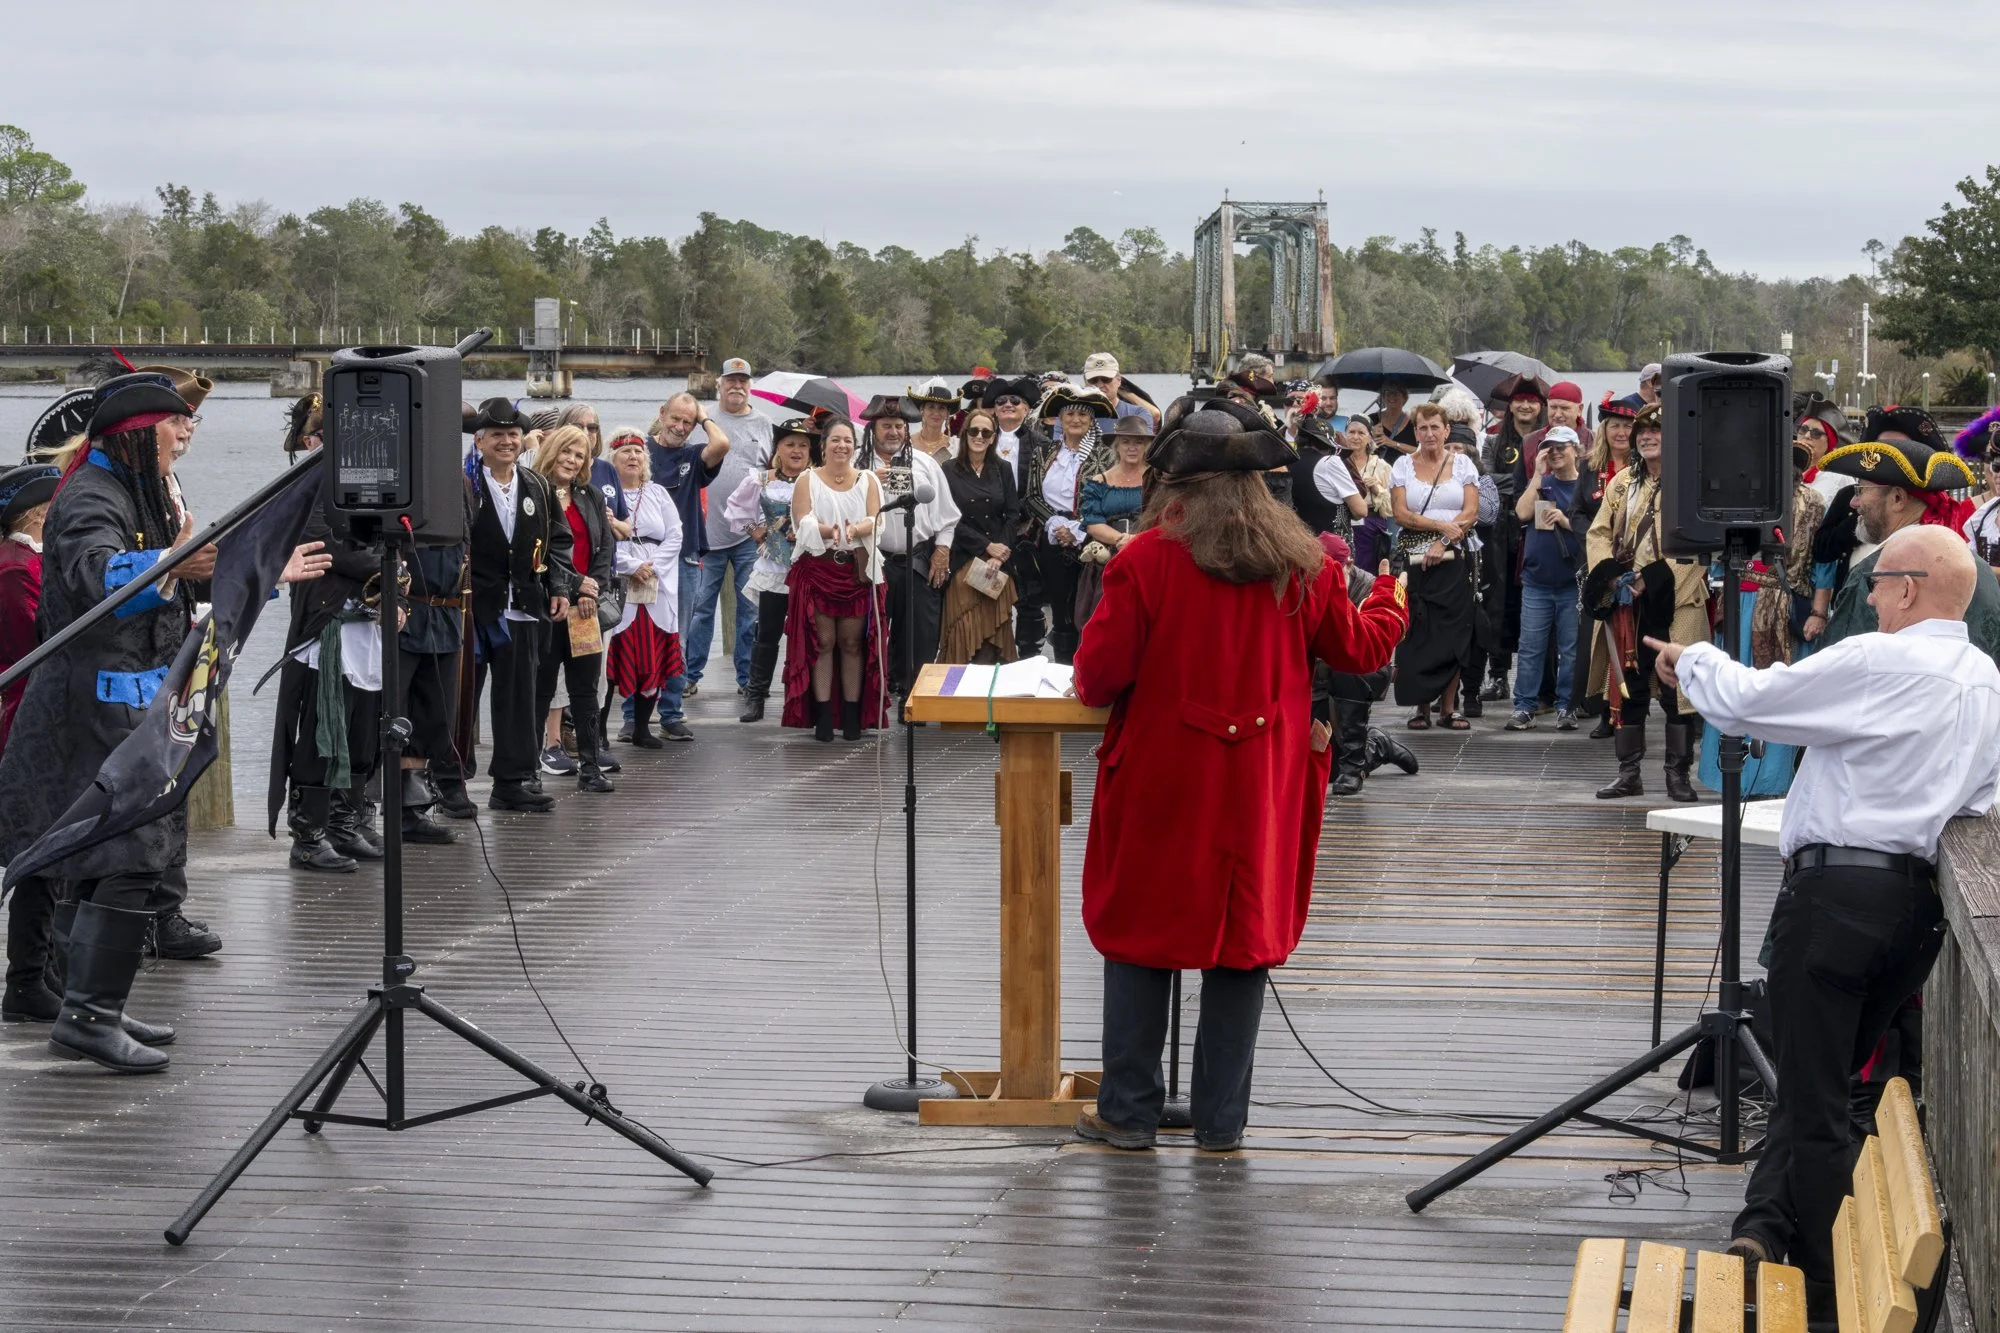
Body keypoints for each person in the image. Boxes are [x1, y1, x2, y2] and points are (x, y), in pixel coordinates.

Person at [1645, 526, 2000, 1312]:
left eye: (1877, 583)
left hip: (1838, 901)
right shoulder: (1984, 677)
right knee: (1824, 1083)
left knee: (1813, 1104)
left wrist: (1690, 660)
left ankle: (1825, 1292)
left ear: (1908, 588)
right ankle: (1768, 1227)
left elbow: (1749, 703)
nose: (1868, 597)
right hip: (1918, 910)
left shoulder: (1878, 659)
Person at [1070, 397, 1407, 1152]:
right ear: (1258, 484)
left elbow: (1095, 679)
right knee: (1241, 941)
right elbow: (1361, 650)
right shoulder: (1304, 565)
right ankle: (1221, 1121)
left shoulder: (1143, 560)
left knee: (1139, 933)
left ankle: (1128, 1112)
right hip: (1262, 782)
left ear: (1176, 486)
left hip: (1164, 779)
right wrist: (1389, 590)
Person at [0, 372, 326, 1068]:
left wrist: (262, 568)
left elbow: (181, 573)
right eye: (175, 425)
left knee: (111, 854)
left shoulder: (133, 489)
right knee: (125, 851)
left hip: (128, 704)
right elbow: (97, 576)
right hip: (87, 712)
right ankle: (87, 1012)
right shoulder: (91, 494)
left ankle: (91, 1001)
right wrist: (171, 558)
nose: (186, 435)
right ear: (136, 434)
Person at [1583, 404, 1709, 801]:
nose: (1647, 436)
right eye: (1642, 431)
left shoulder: (1692, 485)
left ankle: (1678, 776)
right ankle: (1629, 773)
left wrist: (1650, 579)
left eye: (1657, 430)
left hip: (1677, 599)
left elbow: (1699, 544)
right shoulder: (1623, 483)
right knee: (1628, 687)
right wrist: (1610, 574)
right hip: (1626, 601)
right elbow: (1598, 531)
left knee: (1678, 691)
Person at [1694, 439, 1832, 797]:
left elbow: (1824, 559)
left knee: (1779, 690)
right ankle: (1727, 775)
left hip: (1783, 609)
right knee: (1733, 684)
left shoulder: (1813, 503)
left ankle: (1771, 780)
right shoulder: (1739, 499)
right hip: (1737, 600)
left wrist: (1819, 610)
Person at [1816, 406, 2000, 657]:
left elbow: (1835, 668)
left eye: (1861, 491)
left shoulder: (1876, 573)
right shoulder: (1977, 567)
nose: (1853, 503)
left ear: (1898, 498)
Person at [466, 397, 574, 812]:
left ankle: (513, 780)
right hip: (475, 606)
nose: (507, 442)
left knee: (519, 697)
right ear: (480, 441)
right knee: (463, 699)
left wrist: (560, 586)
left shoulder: (537, 484)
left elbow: (559, 542)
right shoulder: (465, 482)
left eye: (513, 434)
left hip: (524, 604)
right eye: (497, 435)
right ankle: (450, 781)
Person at [0, 463, 62, 1022]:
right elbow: (35, 648)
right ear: (41, 513)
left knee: (51, 847)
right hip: (23, 719)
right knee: (39, 848)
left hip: (39, 715)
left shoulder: (30, 564)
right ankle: (25, 980)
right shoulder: (17, 570)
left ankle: (43, 971)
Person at [631, 396, 729, 742]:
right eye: (675, 419)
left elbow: (722, 443)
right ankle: (632, 717)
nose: (680, 427)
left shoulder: (692, 455)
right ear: (661, 415)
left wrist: (703, 417)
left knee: (678, 636)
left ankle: (670, 712)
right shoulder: (638, 449)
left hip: (684, 559)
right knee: (637, 635)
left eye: (687, 422)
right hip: (640, 559)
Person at [785, 418, 886, 741]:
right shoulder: (807, 479)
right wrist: (830, 532)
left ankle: (854, 715)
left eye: (848, 440)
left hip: (855, 570)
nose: (842, 446)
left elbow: (876, 519)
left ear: (855, 446)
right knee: (824, 642)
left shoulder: (868, 479)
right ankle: (825, 716)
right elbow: (803, 522)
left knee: (852, 644)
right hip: (819, 568)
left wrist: (856, 530)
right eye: (835, 440)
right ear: (823, 445)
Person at [529, 426, 616, 793]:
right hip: (549, 605)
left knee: (585, 689)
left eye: (579, 456)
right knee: (541, 688)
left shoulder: (591, 496)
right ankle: (529, 770)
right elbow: (537, 552)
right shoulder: (533, 491)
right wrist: (572, 584)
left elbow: (604, 548)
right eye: (566, 452)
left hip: (584, 609)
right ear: (552, 450)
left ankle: (590, 766)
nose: (571, 460)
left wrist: (590, 591)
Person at [682, 357, 772, 700]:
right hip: (705, 535)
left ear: (751, 385)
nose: (737, 386)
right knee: (700, 608)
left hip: (750, 536)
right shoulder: (702, 421)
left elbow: (773, 471)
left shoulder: (764, 423)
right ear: (719, 384)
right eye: (731, 380)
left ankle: (746, 678)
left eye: (743, 381)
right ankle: (689, 676)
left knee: (749, 609)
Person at [860, 395, 960, 694]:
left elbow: (948, 516)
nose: (893, 432)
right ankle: (869, 696)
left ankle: (915, 697)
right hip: (871, 558)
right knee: (868, 632)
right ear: (873, 429)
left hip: (917, 558)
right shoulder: (856, 462)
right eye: (886, 426)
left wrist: (942, 551)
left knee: (920, 634)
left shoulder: (926, 464)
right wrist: (866, 480)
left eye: (899, 426)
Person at [1391, 403, 1480, 729]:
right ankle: (1421, 707)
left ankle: (1448, 708)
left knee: (1454, 630)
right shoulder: (1402, 465)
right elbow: (1400, 513)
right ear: (1416, 432)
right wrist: (1439, 528)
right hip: (1414, 561)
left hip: (1455, 558)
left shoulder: (1463, 464)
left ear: (1446, 431)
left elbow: (1471, 511)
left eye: (1434, 428)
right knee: (1417, 629)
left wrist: (1444, 541)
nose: (1429, 434)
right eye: (1423, 428)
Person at [727, 416, 816, 721]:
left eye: (803, 445)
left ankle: (804, 695)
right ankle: (756, 696)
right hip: (775, 568)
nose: (796, 450)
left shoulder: (817, 480)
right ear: (779, 446)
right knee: (767, 633)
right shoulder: (762, 480)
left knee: (809, 633)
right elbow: (736, 508)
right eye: (790, 444)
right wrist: (755, 529)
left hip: (809, 567)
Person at [1504, 425, 1592, 731]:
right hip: (1537, 580)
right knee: (1530, 647)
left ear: (1576, 451)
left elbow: (1593, 532)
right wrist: (1537, 475)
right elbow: (1522, 513)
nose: (1554, 453)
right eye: (1549, 448)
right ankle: (1524, 706)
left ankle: (1567, 706)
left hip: (1571, 582)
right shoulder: (1543, 483)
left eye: (1561, 448)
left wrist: (1566, 521)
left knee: (1570, 648)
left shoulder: (1585, 487)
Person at [1025, 384, 1115, 664]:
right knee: (1061, 609)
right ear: (1060, 419)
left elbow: (1109, 499)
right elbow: (1031, 495)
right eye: (1070, 414)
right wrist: (1054, 523)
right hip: (1052, 537)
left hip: (1093, 539)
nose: (1076, 420)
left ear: (1091, 421)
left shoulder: (1106, 455)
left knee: (1090, 608)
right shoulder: (1045, 453)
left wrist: (1079, 528)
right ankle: (1064, 667)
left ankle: (1089, 669)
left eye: (1083, 415)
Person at [604, 433, 684, 747]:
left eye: (638, 451)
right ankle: (599, 734)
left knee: (652, 654)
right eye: (625, 451)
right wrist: (628, 566)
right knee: (614, 652)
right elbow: (605, 539)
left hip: (656, 582)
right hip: (621, 580)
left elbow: (675, 535)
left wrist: (651, 565)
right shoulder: (605, 495)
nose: (633, 457)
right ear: (613, 460)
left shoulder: (659, 493)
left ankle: (641, 728)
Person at [1477, 384, 1547, 705]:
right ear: (1510, 405)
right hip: (1500, 527)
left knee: (1532, 600)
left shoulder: (1548, 440)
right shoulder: (1493, 441)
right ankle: (1498, 674)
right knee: (1499, 600)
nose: (1525, 407)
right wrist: (1527, 480)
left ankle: (1537, 680)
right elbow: (1487, 480)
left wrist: (1523, 486)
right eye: (1520, 400)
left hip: (1537, 525)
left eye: (1532, 401)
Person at [938, 406, 1021, 664]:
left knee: (993, 631)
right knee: (963, 625)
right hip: (963, 557)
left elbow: (1013, 514)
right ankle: (957, 689)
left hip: (998, 561)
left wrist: (1000, 552)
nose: (980, 436)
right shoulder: (949, 470)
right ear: (964, 434)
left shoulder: (1003, 468)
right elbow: (948, 517)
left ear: (994, 437)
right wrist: (986, 546)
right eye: (974, 431)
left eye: (986, 432)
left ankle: (993, 692)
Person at [979, 377, 1053, 659]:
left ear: (1026, 408)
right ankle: (992, 655)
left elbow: (1044, 490)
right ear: (993, 409)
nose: (1007, 406)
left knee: (1029, 599)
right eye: (1000, 402)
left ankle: (1029, 655)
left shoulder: (1042, 443)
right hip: (986, 532)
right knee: (986, 594)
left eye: (1015, 401)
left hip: (1026, 532)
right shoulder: (980, 438)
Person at [1579, 395, 1639, 736]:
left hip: (1638, 565)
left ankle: (1639, 713)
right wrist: (1598, 559)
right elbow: (1578, 514)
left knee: (1634, 642)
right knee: (1602, 640)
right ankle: (1606, 712)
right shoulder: (1590, 468)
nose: (1620, 432)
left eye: (1627, 426)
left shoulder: (1646, 468)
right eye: (1614, 425)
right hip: (1600, 564)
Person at [1073, 416, 1153, 629]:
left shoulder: (1158, 479)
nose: (1132, 448)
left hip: (1149, 554)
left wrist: (1137, 541)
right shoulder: (1100, 481)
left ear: (1146, 446)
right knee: (1106, 621)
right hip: (1107, 556)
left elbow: (1165, 517)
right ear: (1117, 446)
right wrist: (1122, 539)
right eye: (1126, 442)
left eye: (1138, 442)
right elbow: (1092, 522)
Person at [1345, 414, 1397, 570]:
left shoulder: (1381, 466)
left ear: (1369, 438)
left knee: (1368, 572)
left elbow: (1392, 506)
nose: (1355, 437)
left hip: (1371, 525)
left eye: (1361, 433)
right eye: (1351, 432)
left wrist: (1377, 489)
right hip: (1343, 522)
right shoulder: (1338, 462)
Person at [1082, 352, 1162, 427]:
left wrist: (1125, 393)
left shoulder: (1138, 414)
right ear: (1085, 382)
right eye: (1093, 380)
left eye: (1106, 379)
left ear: (1119, 380)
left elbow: (1155, 414)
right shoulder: (1073, 416)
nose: (1100, 385)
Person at [908, 378, 959, 460]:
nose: (936, 413)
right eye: (931, 407)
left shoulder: (956, 446)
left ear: (947, 413)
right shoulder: (907, 443)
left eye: (941, 408)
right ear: (922, 410)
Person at [1369, 384, 1418, 450]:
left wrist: (1392, 443)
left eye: (1396, 393)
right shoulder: (1371, 420)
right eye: (1388, 393)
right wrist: (1371, 437)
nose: (1391, 396)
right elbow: (1361, 450)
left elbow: (1420, 451)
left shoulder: (1414, 421)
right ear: (1383, 397)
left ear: (1404, 397)